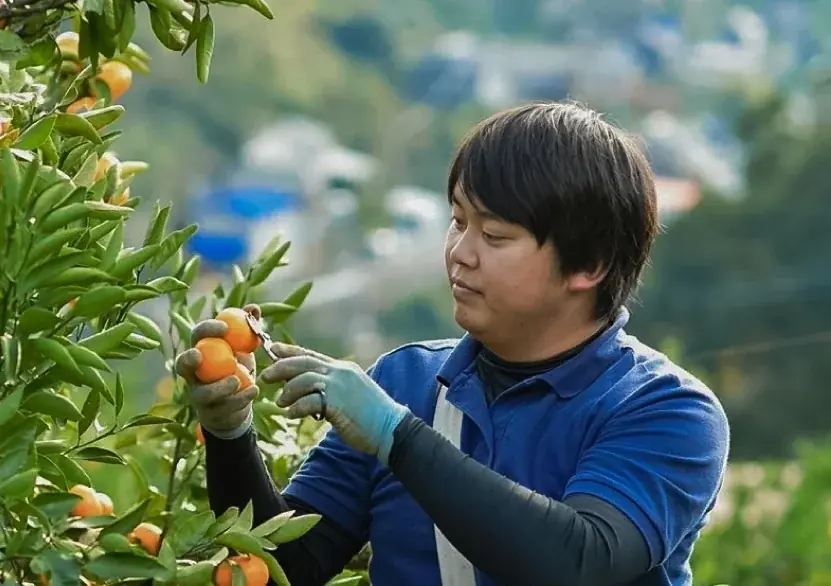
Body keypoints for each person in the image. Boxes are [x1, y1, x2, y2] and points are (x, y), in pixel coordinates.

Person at [175, 101, 730, 586]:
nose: (461, 252)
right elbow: (284, 567)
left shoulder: (666, 412)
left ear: (587, 264)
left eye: (494, 236)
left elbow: (576, 562)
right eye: (458, 222)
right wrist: (230, 434)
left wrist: (398, 438)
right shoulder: (407, 382)